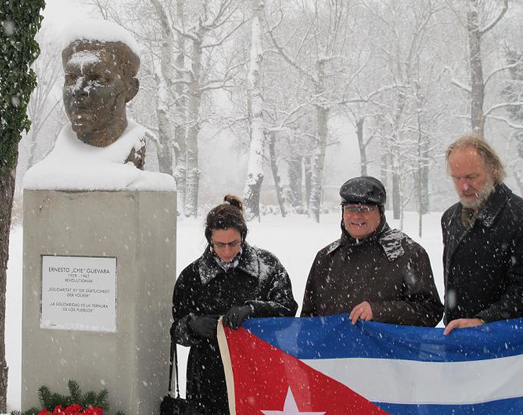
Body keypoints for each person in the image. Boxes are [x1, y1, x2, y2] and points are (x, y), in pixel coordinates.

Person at [171, 195, 298, 415]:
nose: (227, 251)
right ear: (210, 239)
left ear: (244, 236)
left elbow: (288, 309)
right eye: (220, 244)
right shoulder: (192, 276)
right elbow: (176, 330)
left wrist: (253, 309)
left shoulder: (267, 267)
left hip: (259, 372)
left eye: (233, 243)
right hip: (207, 379)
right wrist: (193, 326)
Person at [301, 176, 443, 327]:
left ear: (380, 212)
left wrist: (380, 312)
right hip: (334, 350)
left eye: (365, 209)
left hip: (387, 350)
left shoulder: (406, 253)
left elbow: (430, 311)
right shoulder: (326, 258)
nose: (356, 216)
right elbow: (308, 321)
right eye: (350, 209)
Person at [442, 135, 523, 335]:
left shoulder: (518, 216)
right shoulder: (449, 218)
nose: (464, 186)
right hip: (458, 338)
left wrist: (483, 320)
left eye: (471, 177)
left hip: (504, 347)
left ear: (493, 170)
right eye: (457, 178)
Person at [61, 20, 145, 168]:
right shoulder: (52, 169)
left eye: (97, 78)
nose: (78, 90)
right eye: (71, 78)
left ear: (130, 89)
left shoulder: (131, 157)